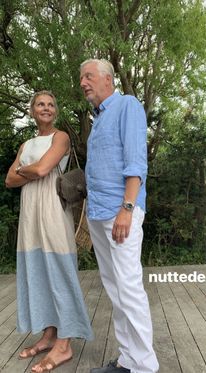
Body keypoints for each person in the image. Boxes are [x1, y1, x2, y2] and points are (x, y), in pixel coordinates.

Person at [80, 59, 159, 373]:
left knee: (128, 286)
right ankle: (128, 359)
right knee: (114, 288)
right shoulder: (98, 119)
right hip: (98, 214)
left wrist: (127, 208)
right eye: (81, 78)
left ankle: (144, 367)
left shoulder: (127, 105)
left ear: (107, 79)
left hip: (119, 211)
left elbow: (136, 161)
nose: (83, 82)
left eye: (88, 76)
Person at [5, 90, 93, 373]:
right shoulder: (26, 142)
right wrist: (30, 170)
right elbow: (8, 180)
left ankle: (64, 345)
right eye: (40, 104)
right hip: (30, 215)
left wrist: (25, 171)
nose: (46, 108)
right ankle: (49, 334)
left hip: (53, 211)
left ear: (56, 111)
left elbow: (43, 170)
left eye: (51, 104)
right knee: (38, 273)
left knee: (60, 272)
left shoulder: (61, 138)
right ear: (32, 111)